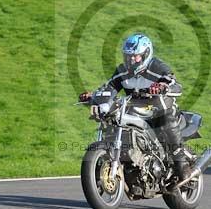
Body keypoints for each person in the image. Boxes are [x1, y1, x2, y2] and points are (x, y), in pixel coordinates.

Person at [79, 33, 193, 181]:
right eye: (128, 56)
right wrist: (95, 96)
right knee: (112, 118)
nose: (131, 60)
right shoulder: (122, 71)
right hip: (135, 109)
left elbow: (172, 81)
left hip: (158, 107)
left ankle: (181, 162)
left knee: (164, 117)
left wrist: (162, 86)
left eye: (135, 56)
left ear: (146, 54)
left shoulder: (156, 66)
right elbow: (110, 87)